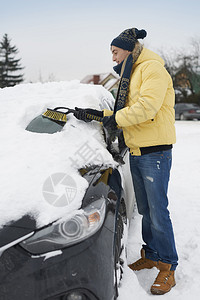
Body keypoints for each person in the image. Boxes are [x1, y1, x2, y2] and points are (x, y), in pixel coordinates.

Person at [74, 27, 178, 295]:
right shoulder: (133, 73)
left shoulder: (152, 69)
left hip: (155, 151)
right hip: (138, 149)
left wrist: (113, 118)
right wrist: (97, 115)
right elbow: (123, 111)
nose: (113, 58)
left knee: (158, 211)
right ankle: (152, 254)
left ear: (129, 50)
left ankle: (168, 267)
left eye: (115, 52)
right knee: (145, 209)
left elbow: (146, 108)